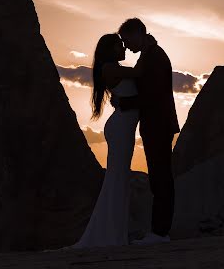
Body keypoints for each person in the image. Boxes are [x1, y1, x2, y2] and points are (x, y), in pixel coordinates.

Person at [72, 33, 142, 248]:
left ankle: (114, 233)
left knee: (119, 180)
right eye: (120, 45)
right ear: (111, 49)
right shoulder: (110, 68)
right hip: (121, 127)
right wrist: (147, 48)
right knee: (117, 180)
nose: (124, 48)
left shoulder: (112, 68)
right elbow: (140, 73)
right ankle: (111, 235)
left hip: (123, 126)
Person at [118, 18, 180, 244]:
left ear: (137, 34)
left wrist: (124, 104)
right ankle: (159, 231)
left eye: (127, 40)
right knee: (159, 177)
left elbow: (151, 95)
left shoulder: (154, 57)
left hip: (158, 124)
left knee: (161, 177)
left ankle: (160, 232)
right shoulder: (151, 55)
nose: (126, 46)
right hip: (156, 124)